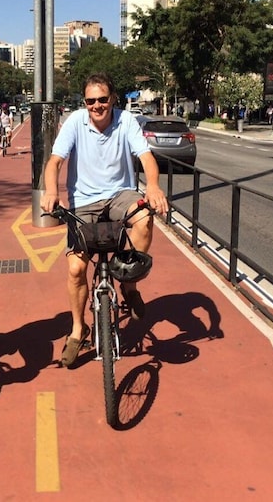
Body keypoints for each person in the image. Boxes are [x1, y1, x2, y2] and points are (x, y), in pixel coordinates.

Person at [40, 73, 169, 367]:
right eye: (90, 101)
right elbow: (55, 162)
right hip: (83, 201)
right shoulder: (75, 122)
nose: (97, 106)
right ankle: (78, 329)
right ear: (84, 102)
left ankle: (129, 284)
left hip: (119, 195)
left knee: (144, 219)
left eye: (102, 99)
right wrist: (51, 191)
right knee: (75, 269)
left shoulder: (126, 121)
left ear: (112, 98)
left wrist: (153, 186)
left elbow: (146, 157)